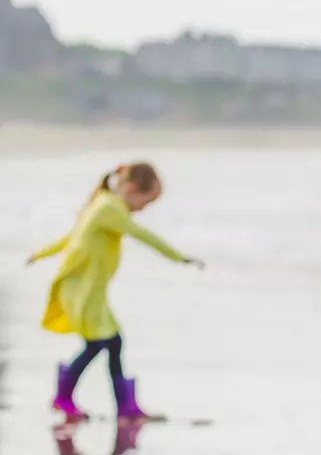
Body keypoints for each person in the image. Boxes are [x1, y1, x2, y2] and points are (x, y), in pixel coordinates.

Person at [25, 162, 203, 423]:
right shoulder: (109, 208)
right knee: (101, 343)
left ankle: (120, 405)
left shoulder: (105, 204)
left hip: (90, 291)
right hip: (82, 291)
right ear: (131, 189)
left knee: (111, 343)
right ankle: (72, 398)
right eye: (146, 201)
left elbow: (70, 238)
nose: (143, 209)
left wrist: (39, 254)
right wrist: (179, 257)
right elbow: (142, 235)